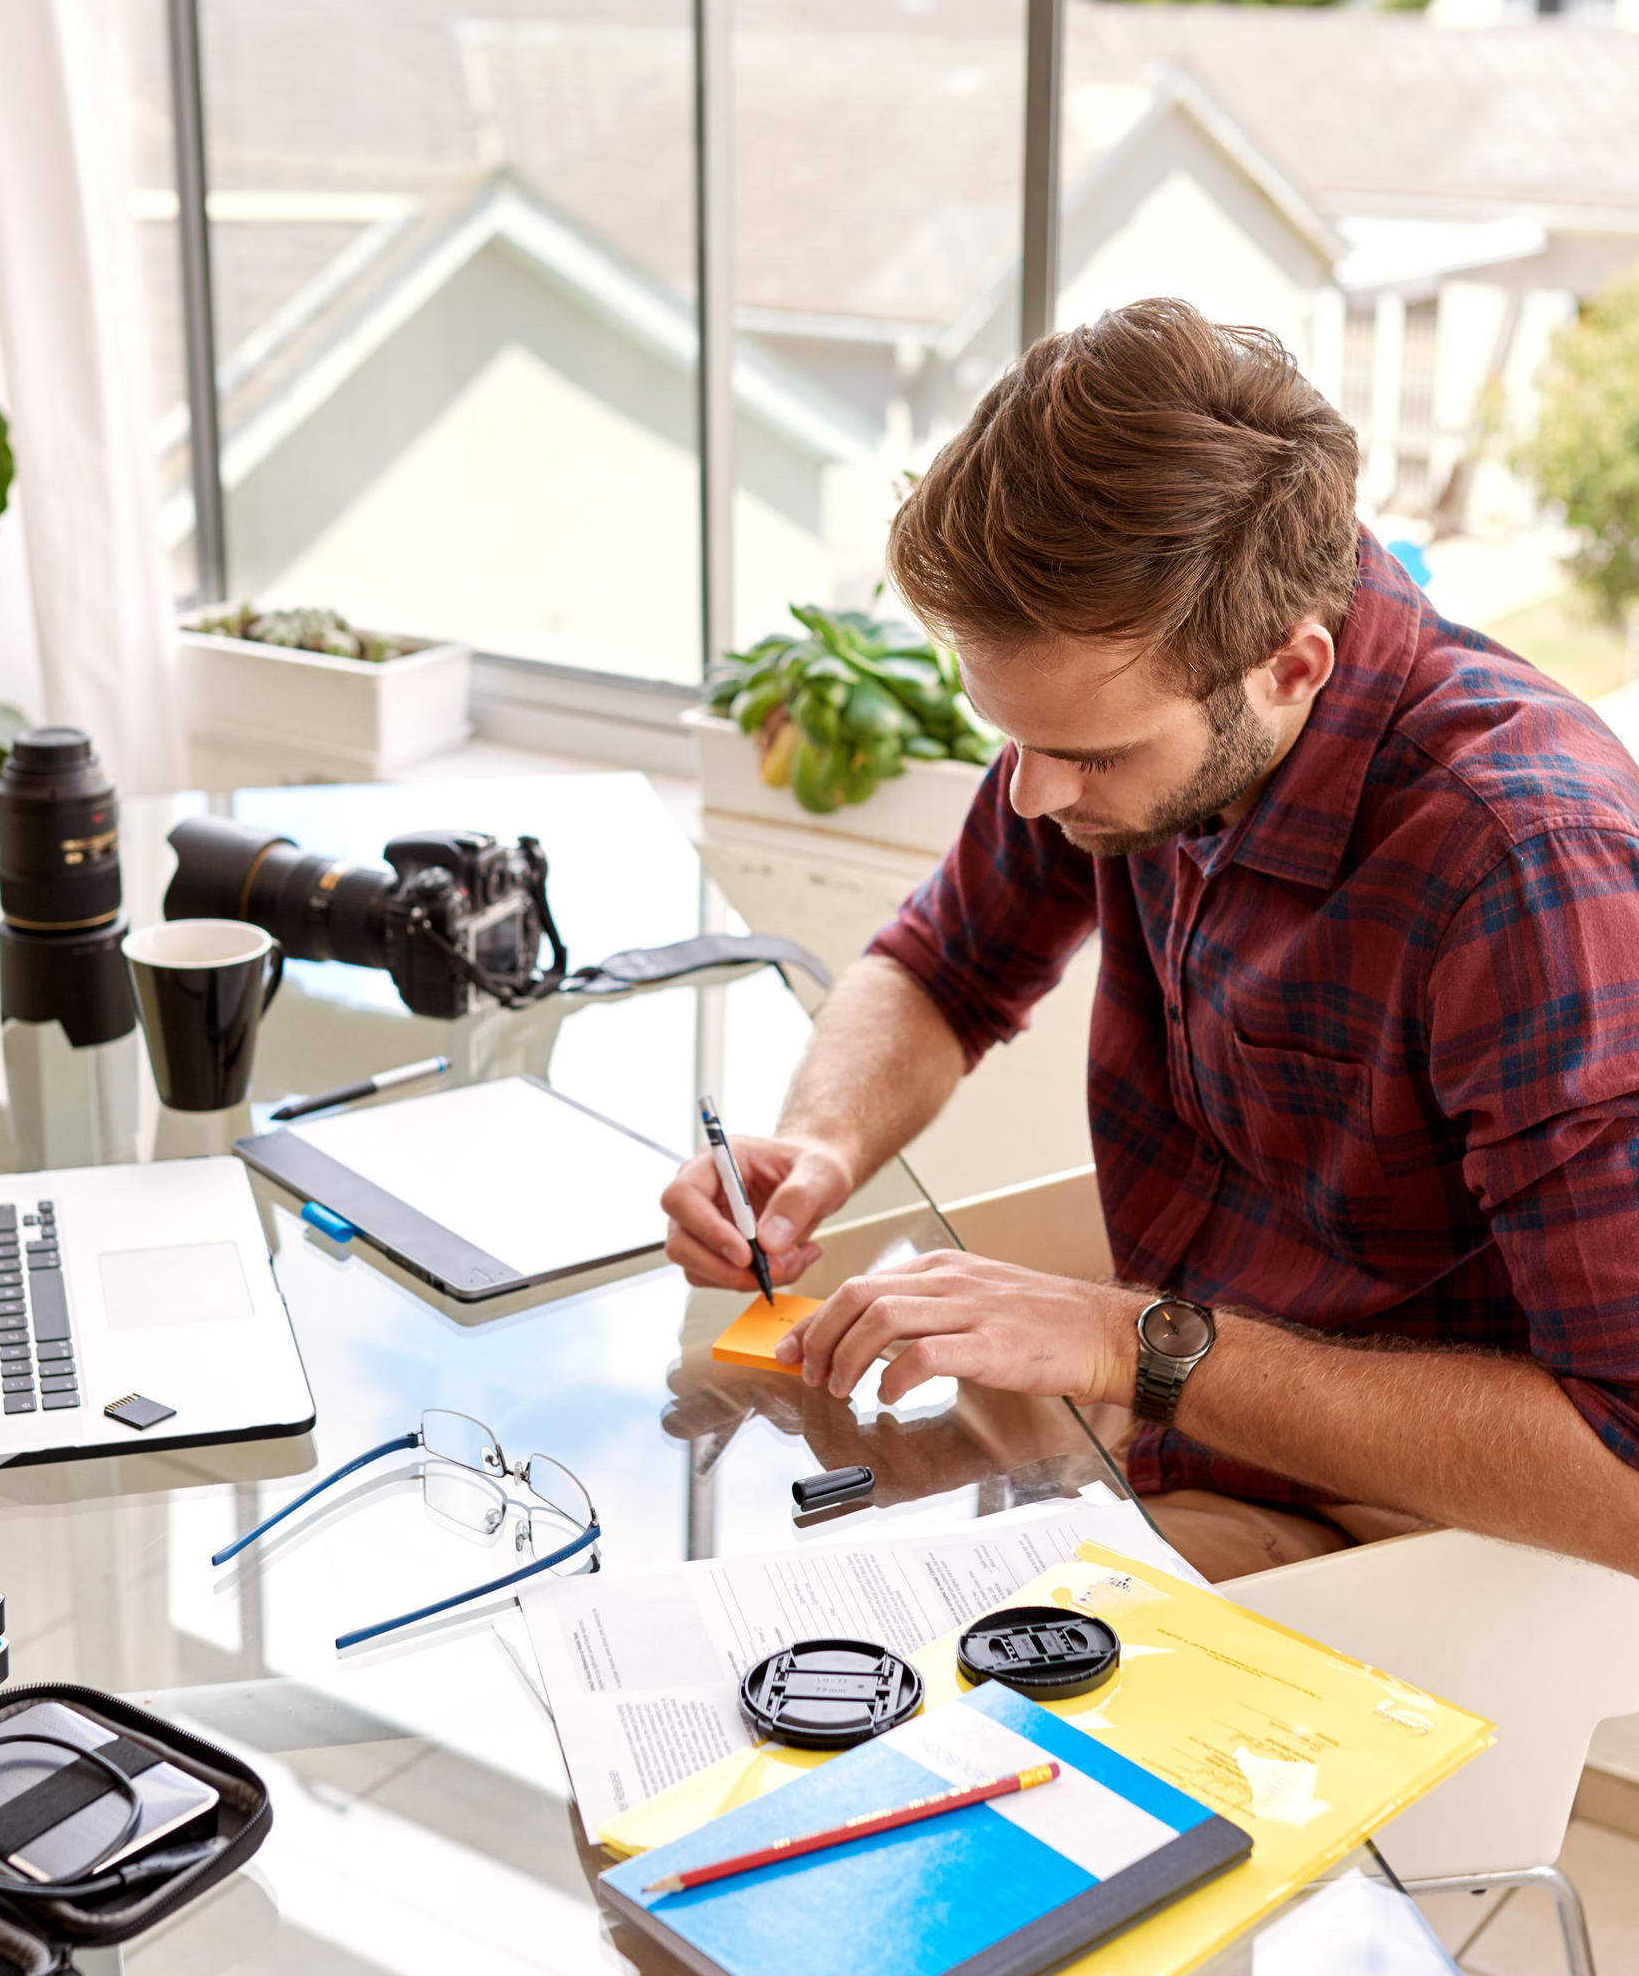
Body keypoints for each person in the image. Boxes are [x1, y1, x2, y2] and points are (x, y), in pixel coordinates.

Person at [662, 298, 1639, 1582]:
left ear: (1288, 667)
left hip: (1402, 1502)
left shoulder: (1523, 868)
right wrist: (820, 1146)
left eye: (1087, 753)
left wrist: (1129, 1344)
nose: (1028, 798)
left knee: (890, 1688)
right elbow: (940, 965)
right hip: (1182, 1370)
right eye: (1015, 738)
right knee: (714, 1441)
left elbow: (1621, 1468)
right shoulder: (1131, 700)